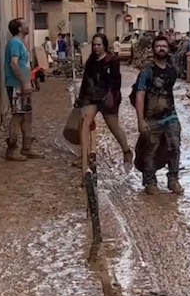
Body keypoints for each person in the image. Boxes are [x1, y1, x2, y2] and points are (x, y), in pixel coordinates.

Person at [75, 34, 132, 172]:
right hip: (92, 97)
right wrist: (81, 98)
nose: (96, 47)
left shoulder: (112, 61)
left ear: (104, 46)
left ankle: (126, 151)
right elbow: (85, 80)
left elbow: (116, 82)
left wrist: (112, 97)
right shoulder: (90, 61)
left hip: (108, 98)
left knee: (114, 128)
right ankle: (84, 157)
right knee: (85, 123)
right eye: (94, 44)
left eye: (99, 45)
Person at [134, 35, 182, 195]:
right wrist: (140, 120)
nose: (161, 48)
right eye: (158, 46)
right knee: (150, 150)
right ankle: (150, 181)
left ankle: (173, 180)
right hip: (151, 118)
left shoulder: (172, 70)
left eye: (164, 46)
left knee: (174, 147)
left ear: (168, 49)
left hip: (170, 116)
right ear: (153, 49)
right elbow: (139, 95)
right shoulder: (147, 72)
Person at [4, 18, 43, 161]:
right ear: (19, 28)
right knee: (18, 116)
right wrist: (24, 83)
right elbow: (14, 64)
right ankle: (12, 150)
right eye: (24, 24)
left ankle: (27, 148)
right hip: (16, 86)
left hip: (22, 85)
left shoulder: (20, 43)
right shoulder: (15, 43)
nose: (28, 25)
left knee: (27, 116)